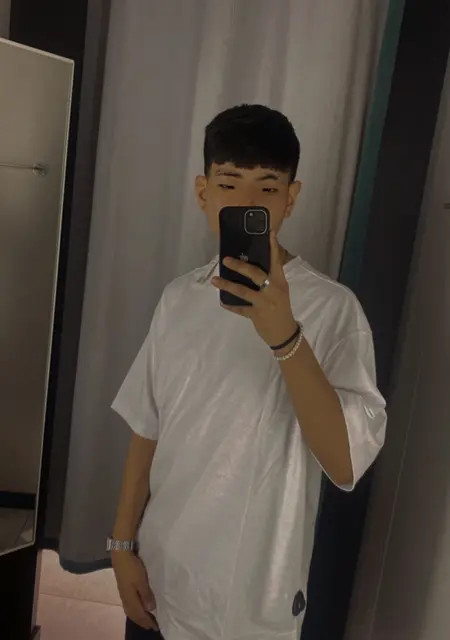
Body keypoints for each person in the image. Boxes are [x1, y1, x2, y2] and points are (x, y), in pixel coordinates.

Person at [110, 104, 387, 640]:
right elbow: (148, 427)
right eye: (228, 183)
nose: (245, 201)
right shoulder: (178, 299)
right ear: (203, 193)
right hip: (161, 581)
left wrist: (286, 337)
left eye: (267, 187)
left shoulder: (334, 310)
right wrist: (122, 546)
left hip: (255, 606)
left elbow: (346, 462)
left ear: (291, 199)